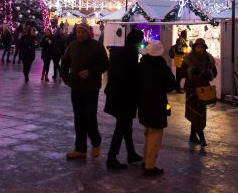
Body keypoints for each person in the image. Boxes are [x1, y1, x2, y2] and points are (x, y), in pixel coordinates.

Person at [61, 23, 109, 160]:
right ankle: (80, 148)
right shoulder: (73, 46)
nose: (80, 34)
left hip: (91, 87)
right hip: (76, 87)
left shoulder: (96, 46)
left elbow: (105, 64)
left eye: (83, 32)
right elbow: (64, 62)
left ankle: (96, 141)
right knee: (78, 118)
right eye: (78, 32)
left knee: (89, 117)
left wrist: (90, 72)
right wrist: (66, 79)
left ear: (88, 33)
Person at [104, 29, 144, 169]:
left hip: (116, 94)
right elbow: (132, 75)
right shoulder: (131, 54)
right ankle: (111, 157)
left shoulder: (120, 52)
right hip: (125, 96)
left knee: (126, 126)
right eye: (141, 40)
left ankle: (131, 153)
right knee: (121, 127)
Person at [137, 40, 176, 176]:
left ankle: (145, 159)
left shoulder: (142, 65)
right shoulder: (161, 67)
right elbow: (171, 85)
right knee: (155, 134)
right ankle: (150, 165)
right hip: (157, 104)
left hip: (143, 104)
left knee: (148, 132)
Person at [181, 38, 217, 147]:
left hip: (202, 90)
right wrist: (191, 71)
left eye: (201, 47)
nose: (199, 49)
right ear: (194, 47)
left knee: (199, 113)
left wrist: (208, 73)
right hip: (192, 89)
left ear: (204, 48)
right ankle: (202, 138)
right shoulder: (188, 59)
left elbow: (214, 72)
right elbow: (182, 72)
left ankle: (193, 135)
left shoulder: (208, 59)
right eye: (197, 47)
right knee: (195, 112)